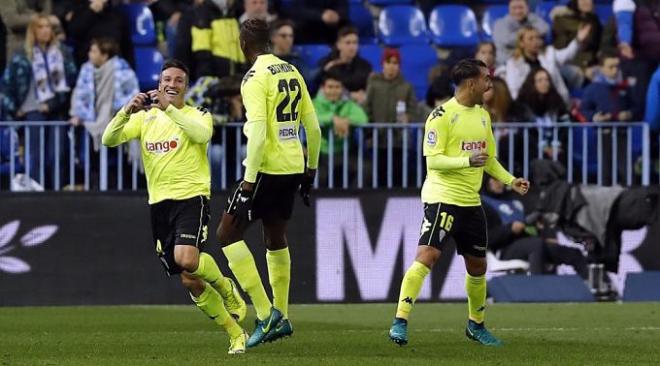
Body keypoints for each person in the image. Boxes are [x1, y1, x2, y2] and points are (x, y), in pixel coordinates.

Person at [101, 59, 249, 354]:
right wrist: (126, 111)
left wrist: (169, 109)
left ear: (186, 86)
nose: (171, 84)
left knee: (187, 258)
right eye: (166, 79)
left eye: (178, 80)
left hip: (191, 197)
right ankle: (235, 333)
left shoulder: (199, 115)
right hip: (159, 204)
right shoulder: (145, 120)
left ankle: (224, 286)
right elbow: (108, 139)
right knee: (188, 278)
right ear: (159, 84)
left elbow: (202, 135)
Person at [388, 59, 530, 347]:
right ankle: (400, 321)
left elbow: (488, 158)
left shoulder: (483, 116)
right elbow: (434, 160)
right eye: (486, 79)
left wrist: (510, 180)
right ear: (471, 83)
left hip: (470, 202)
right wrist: (467, 160)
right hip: (443, 197)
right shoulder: (441, 116)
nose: (490, 84)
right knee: (428, 255)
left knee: (477, 266)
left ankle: (476, 325)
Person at [215, 19, 321, 348]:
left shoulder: (254, 78)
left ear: (244, 44)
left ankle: (265, 313)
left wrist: (247, 183)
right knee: (275, 236)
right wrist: (311, 170)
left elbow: (258, 134)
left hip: (266, 167)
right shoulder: (291, 71)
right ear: (269, 42)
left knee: (227, 233)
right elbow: (313, 128)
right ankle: (284, 315)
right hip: (293, 165)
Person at [580, 51, 634, 185]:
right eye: (610, 67)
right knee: (605, 169)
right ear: (601, 68)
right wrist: (595, 117)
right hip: (602, 134)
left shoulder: (625, 87)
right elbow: (584, 110)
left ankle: (630, 196)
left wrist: (629, 114)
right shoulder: (592, 89)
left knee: (626, 170)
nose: (615, 70)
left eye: (617, 66)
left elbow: (636, 106)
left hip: (622, 134)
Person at [505, 25, 591, 104]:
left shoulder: (549, 53)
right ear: (521, 43)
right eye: (530, 39)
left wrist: (578, 40)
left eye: (537, 38)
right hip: (528, 106)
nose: (536, 42)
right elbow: (513, 90)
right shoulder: (513, 63)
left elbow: (567, 55)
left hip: (555, 103)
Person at [313, 71, 367, 187]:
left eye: (337, 87)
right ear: (323, 88)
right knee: (317, 176)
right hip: (321, 154)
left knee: (365, 169)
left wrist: (346, 121)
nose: (333, 90)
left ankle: (355, 200)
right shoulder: (315, 103)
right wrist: (332, 119)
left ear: (342, 89)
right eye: (330, 87)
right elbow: (310, 117)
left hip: (345, 153)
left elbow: (362, 118)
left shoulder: (349, 104)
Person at [318, 26, 372, 104]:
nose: (352, 47)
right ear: (338, 45)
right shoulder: (328, 64)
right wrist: (350, 95)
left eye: (355, 43)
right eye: (348, 43)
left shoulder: (365, 66)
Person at [493, 0, 550, 66]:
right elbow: (507, 41)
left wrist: (526, 36)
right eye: (514, 8)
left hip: (532, 61)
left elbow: (545, 29)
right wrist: (527, 33)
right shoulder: (500, 23)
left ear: (527, 8)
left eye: (521, 7)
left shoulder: (531, 18)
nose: (518, 11)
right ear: (509, 9)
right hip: (506, 62)